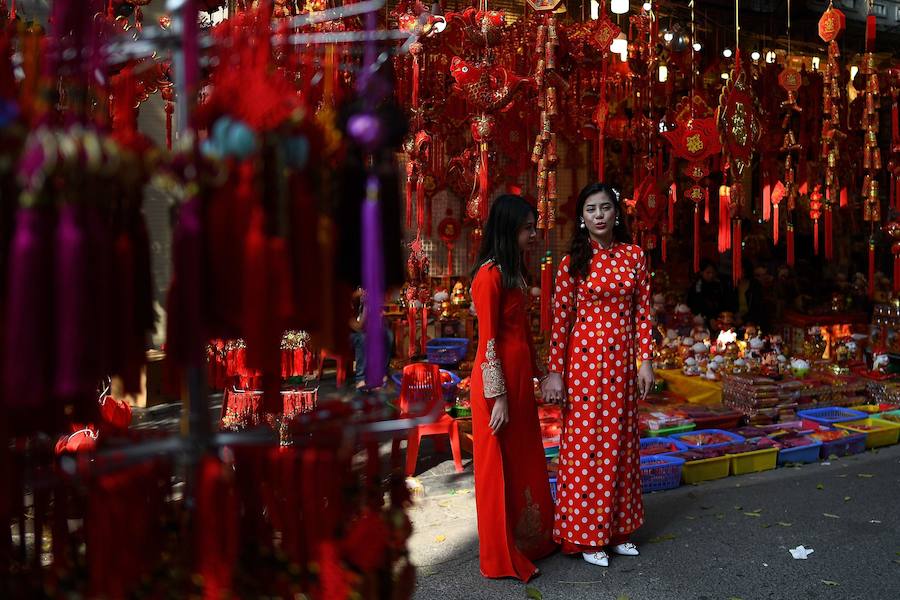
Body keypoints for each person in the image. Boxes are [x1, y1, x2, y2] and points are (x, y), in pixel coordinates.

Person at [541, 182, 654, 567]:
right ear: (582, 217)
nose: (600, 215)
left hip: (623, 363)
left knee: (621, 443)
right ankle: (587, 535)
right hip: (584, 365)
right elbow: (560, 321)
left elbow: (642, 313)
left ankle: (619, 530)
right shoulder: (571, 262)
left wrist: (646, 361)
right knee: (586, 446)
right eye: (592, 209)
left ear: (616, 213)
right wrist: (554, 372)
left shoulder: (634, 256)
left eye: (606, 207)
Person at [469, 194, 556, 581]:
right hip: (497, 381)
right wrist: (497, 396)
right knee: (498, 466)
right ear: (509, 229)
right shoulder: (488, 276)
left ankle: (532, 540)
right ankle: (501, 555)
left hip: (518, 378)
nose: (533, 234)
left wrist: (541, 373)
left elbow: (522, 330)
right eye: (528, 228)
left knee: (524, 457)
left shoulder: (513, 271)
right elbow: (488, 340)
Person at [349, 287, 394, 389]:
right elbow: (358, 326)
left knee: (387, 334)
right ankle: (360, 379)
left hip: (360, 330)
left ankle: (381, 373)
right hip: (345, 334)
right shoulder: (344, 303)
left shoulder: (362, 303)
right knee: (362, 338)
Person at [686, 259, 734, 332]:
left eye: (713, 272)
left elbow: (724, 301)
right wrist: (710, 318)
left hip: (719, 319)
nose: (711, 275)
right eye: (708, 273)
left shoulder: (719, 285)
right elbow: (699, 303)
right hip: (701, 320)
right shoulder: (697, 286)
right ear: (701, 272)